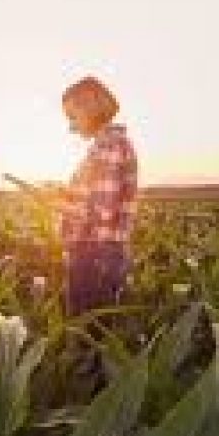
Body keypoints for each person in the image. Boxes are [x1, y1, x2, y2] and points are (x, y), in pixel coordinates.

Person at [52, 76, 139, 317]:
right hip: (103, 252)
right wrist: (63, 191)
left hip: (95, 254)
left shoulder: (108, 147)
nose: (71, 126)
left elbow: (100, 213)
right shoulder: (111, 145)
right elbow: (95, 196)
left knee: (87, 330)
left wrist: (55, 204)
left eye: (72, 116)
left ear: (89, 109)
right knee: (100, 327)